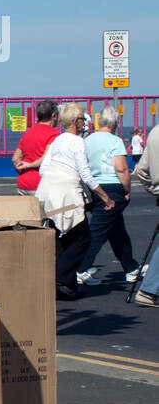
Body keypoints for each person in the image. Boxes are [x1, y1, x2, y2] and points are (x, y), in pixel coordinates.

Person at [35, 103, 115, 300]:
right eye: (82, 119)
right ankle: (61, 279)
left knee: (61, 237)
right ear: (76, 122)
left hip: (47, 192)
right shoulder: (78, 142)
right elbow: (85, 173)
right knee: (82, 237)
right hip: (67, 192)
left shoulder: (57, 140)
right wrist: (105, 196)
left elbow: (43, 168)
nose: (84, 123)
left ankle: (66, 284)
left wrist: (56, 178)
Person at [77, 106, 141, 285]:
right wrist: (127, 190)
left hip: (93, 188)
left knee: (116, 230)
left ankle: (131, 268)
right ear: (116, 123)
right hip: (112, 187)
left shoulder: (87, 140)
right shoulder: (115, 141)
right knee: (98, 232)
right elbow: (121, 168)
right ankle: (80, 269)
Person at [130, 125, 159, 306]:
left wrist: (155, 190)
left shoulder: (155, 131)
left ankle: (150, 288)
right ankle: (150, 289)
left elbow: (141, 170)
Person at [12, 100, 60, 196]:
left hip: (23, 183)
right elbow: (45, 159)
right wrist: (29, 165)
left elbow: (15, 159)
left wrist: (23, 168)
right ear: (54, 115)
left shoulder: (28, 133)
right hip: (41, 183)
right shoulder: (54, 134)